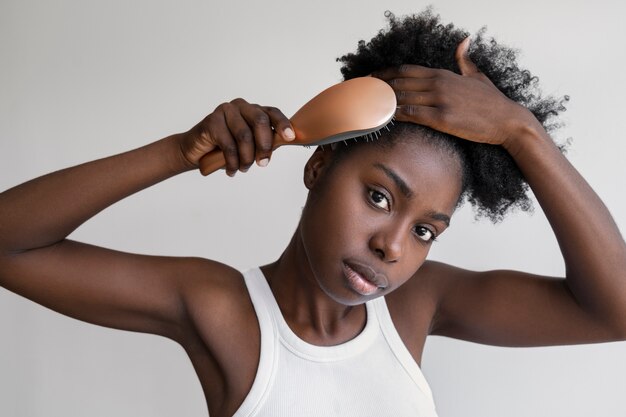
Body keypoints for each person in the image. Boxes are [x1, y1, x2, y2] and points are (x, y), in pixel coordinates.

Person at [1, 9, 625, 417]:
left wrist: (523, 135)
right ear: (318, 168)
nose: (393, 247)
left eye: (426, 231)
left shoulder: (415, 304)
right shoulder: (222, 309)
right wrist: (176, 153)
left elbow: (615, 311)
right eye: (380, 197)